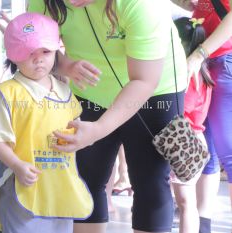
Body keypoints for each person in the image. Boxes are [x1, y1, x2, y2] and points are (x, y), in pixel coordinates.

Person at [28, 0, 188, 233]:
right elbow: (34, 46)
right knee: (85, 180)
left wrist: (99, 129)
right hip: (91, 90)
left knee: (149, 181)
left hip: (155, 91)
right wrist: (65, 65)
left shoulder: (141, 4)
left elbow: (144, 80)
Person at [0, 12, 93, 233]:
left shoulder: (64, 91)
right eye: (29, 52)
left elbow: (77, 130)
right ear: (13, 55)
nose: (38, 58)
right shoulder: (5, 94)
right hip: (22, 189)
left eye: (46, 51)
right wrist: (17, 165)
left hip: (61, 189)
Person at [172, 1, 232, 232]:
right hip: (206, 63)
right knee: (206, 151)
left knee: (227, 152)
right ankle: (202, 225)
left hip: (220, 60)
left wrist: (199, 54)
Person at [172, 16, 214, 233]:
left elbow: (180, 113)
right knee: (188, 204)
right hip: (197, 139)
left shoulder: (184, 75)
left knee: (186, 204)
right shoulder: (205, 75)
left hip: (181, 140)